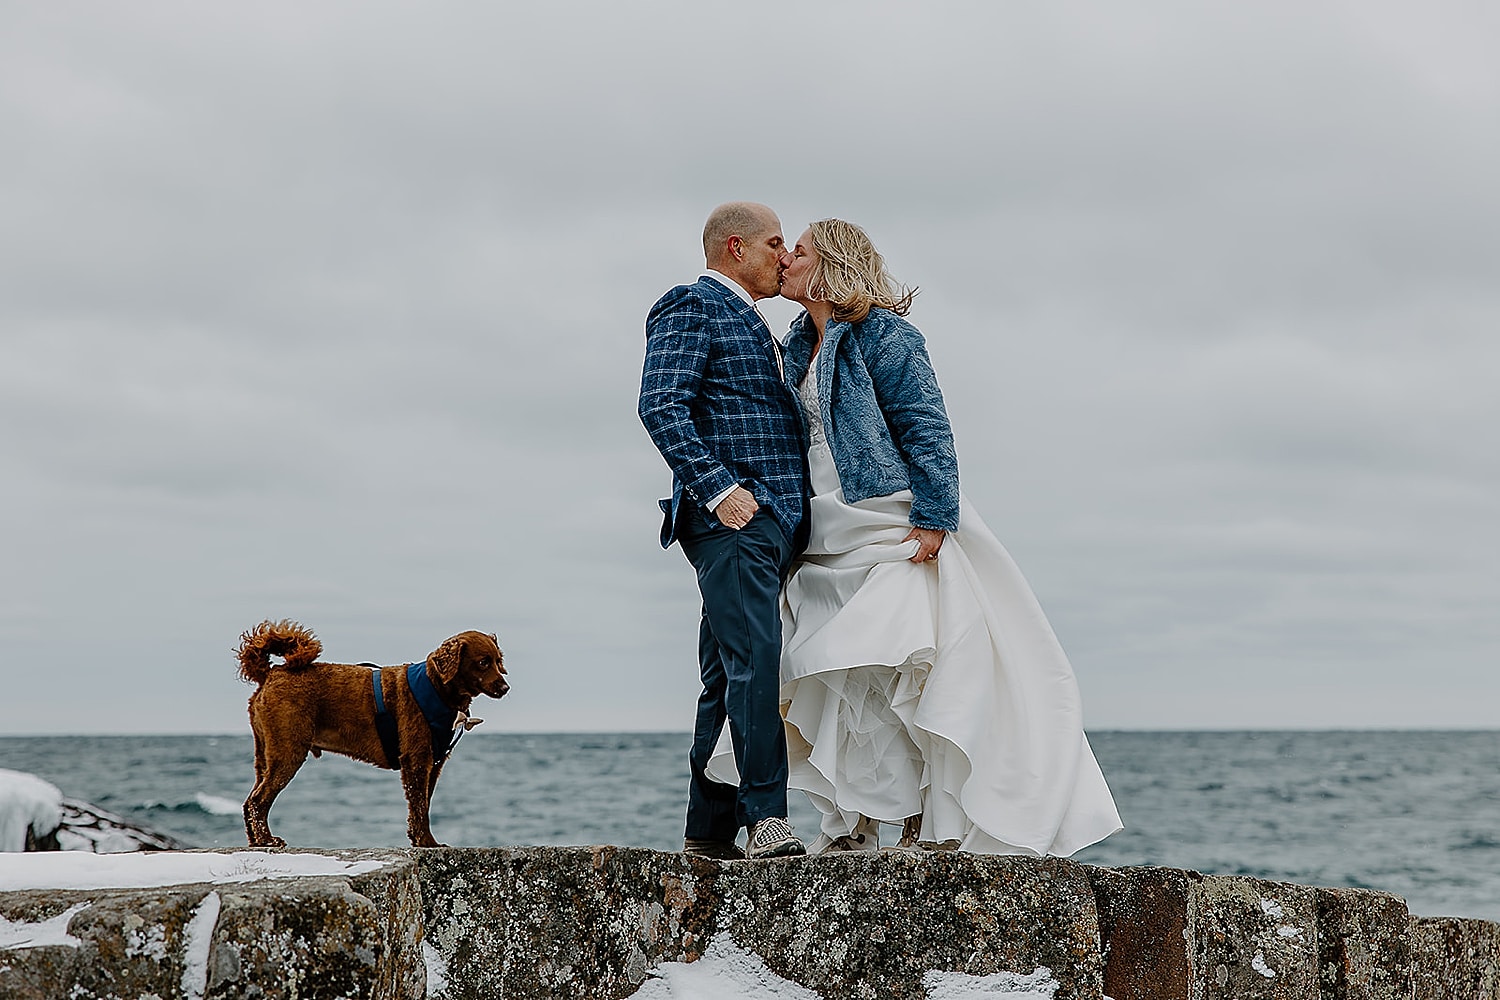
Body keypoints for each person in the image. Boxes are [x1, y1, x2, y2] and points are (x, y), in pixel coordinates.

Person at [711, 218, 1121, 855]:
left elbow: (928, 428)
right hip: (819, 524)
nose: (786, 258)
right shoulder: (794, 344)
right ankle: (863, 819)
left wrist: (934, 516)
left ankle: (922, 819)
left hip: (889, 518)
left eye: (800, 251)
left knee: (904, 661)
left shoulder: (888, 336)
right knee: (842, 681)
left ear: (831, 266)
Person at [638, 202, 810, 860]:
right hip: (733, 521)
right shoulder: (692, 303)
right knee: (755, 662)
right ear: (735, 248)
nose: (784, 257)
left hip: (765, 525)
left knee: (725, 673)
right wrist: (719, 490)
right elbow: (660, 403)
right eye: (774, 245)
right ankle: (766, 819)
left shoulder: (761, 323)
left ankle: (707, 831)